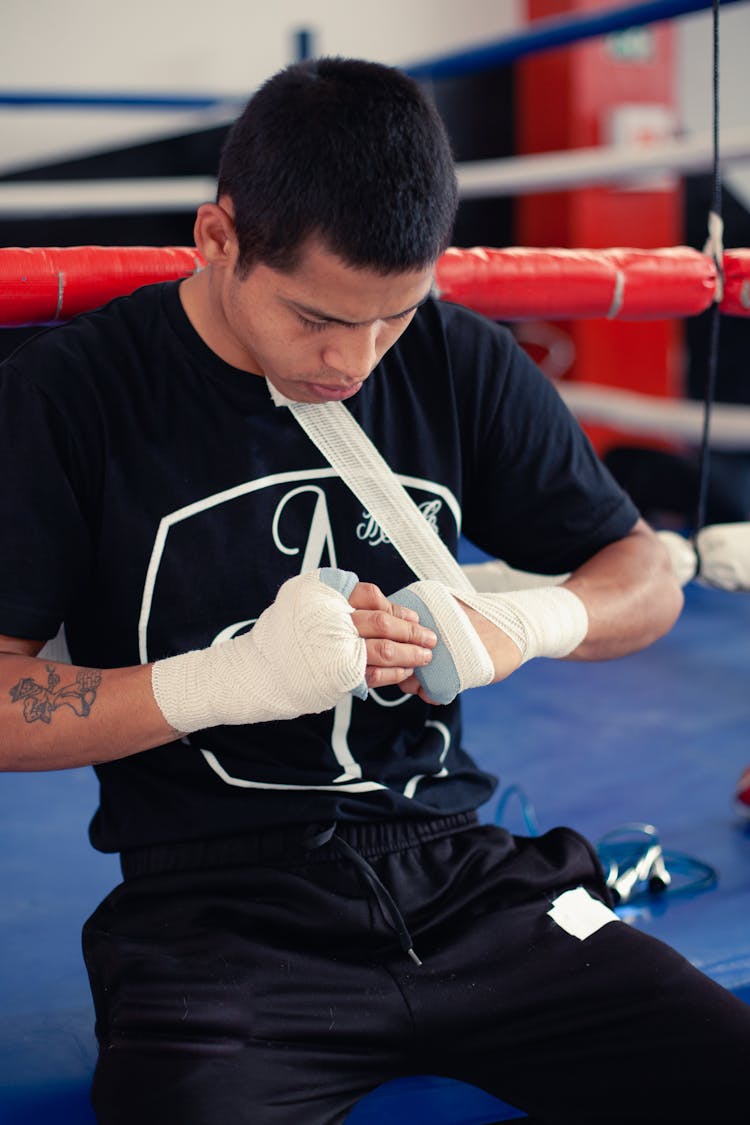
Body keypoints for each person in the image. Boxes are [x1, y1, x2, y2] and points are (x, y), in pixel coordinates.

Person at [0, 57, 747, 1125]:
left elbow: (642, 576)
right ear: (218, 239)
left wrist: (529, 620)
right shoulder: (72, 398)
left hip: (472, 886)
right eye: (315, 318)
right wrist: (218, 683)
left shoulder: (456, 358)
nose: (353, 359)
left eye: (390, 316)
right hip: (215, 923)